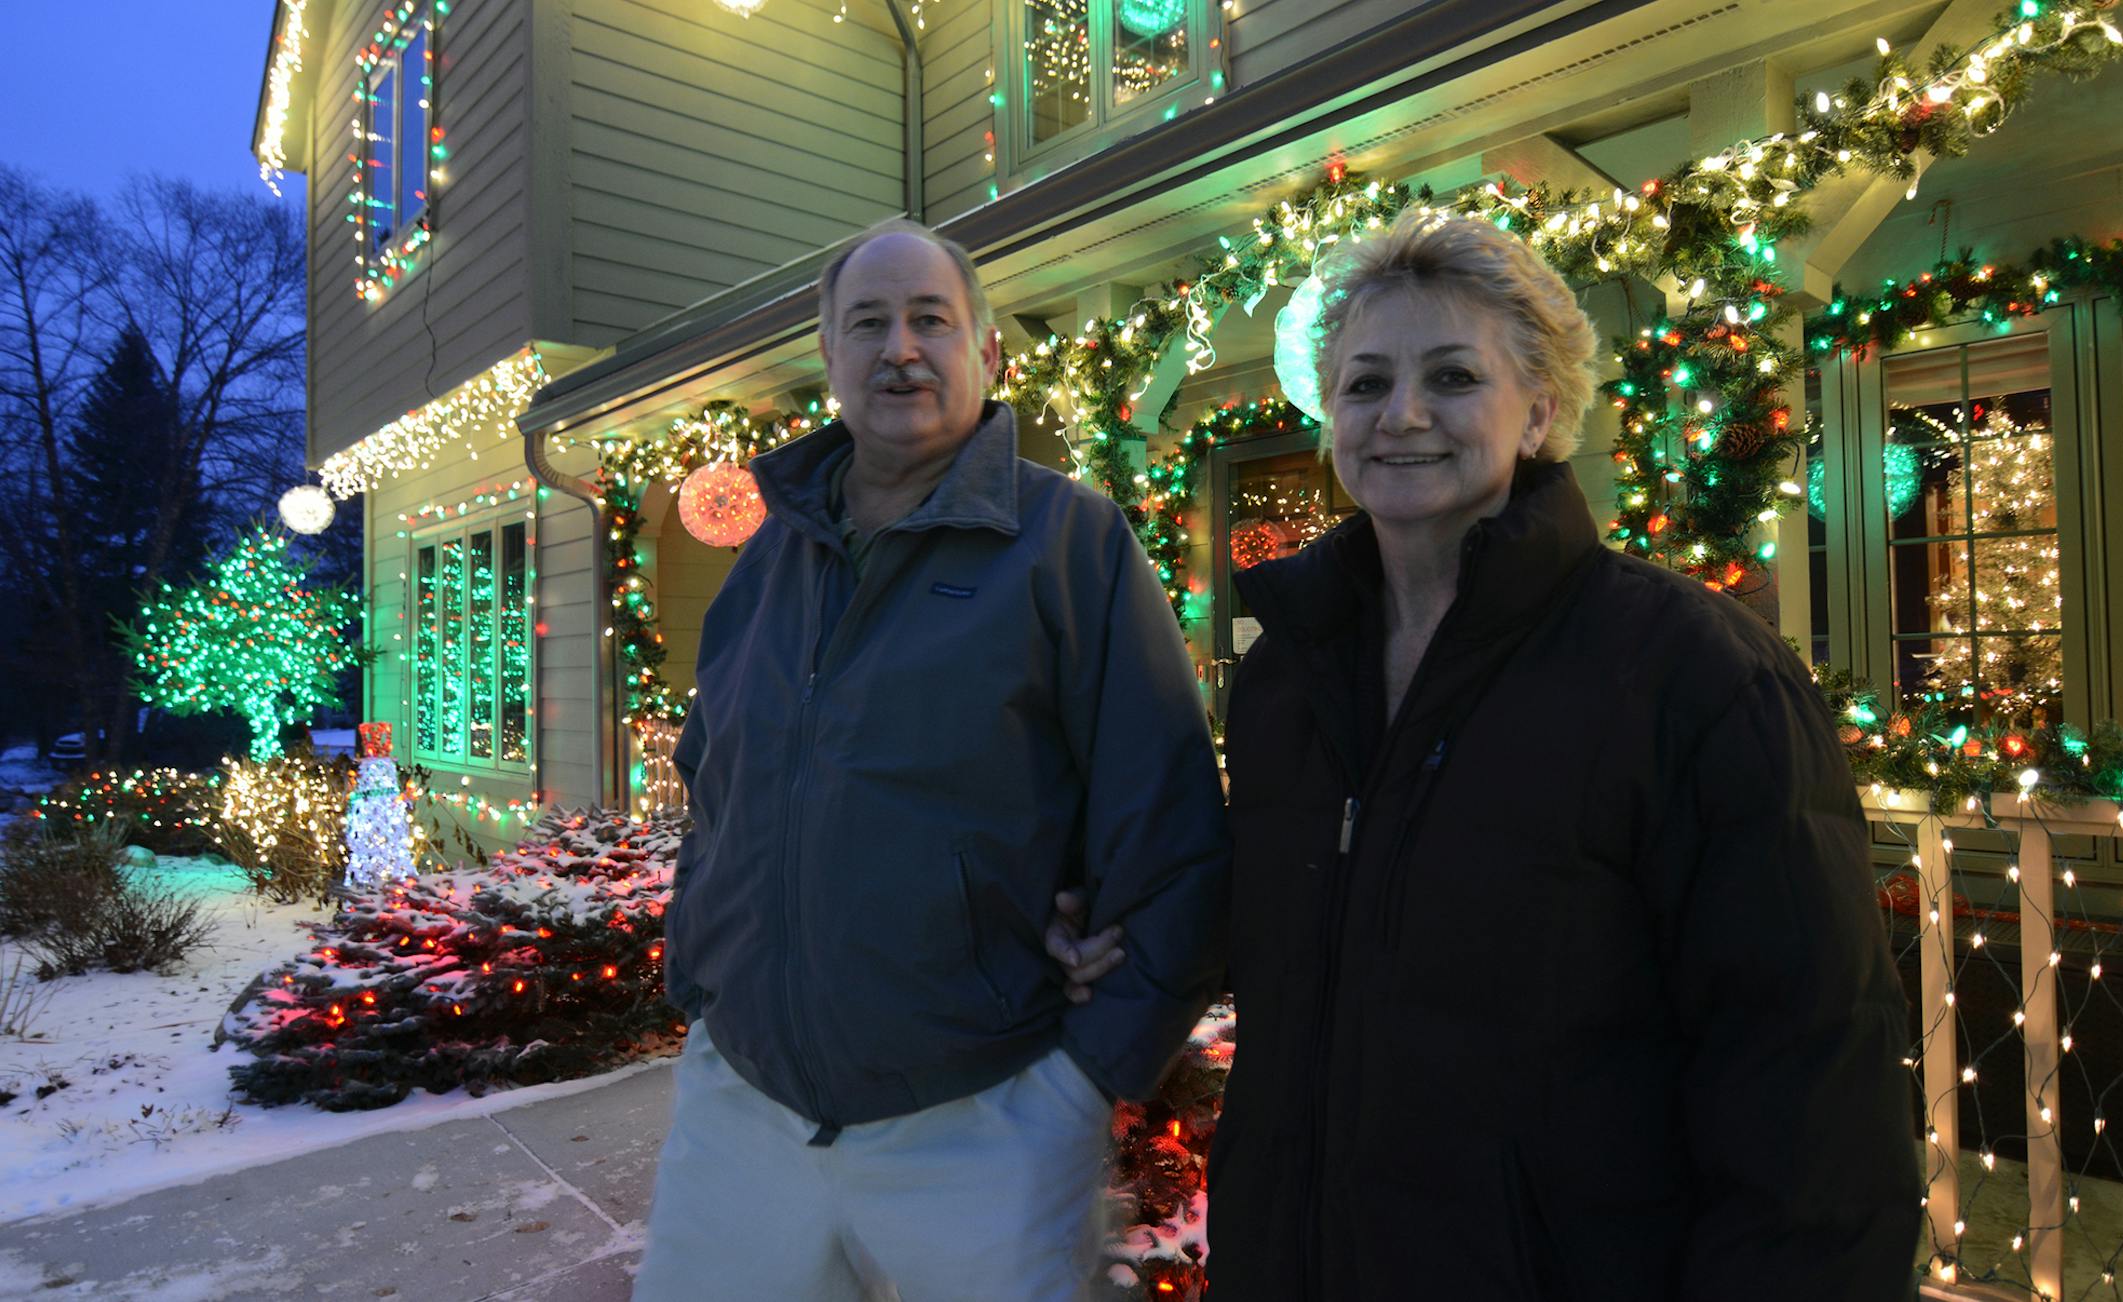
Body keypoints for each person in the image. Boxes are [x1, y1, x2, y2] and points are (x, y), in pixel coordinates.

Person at [1055, 211, 1919, 1298]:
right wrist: (1109, 918)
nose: (1401, 415)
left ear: (1540, 411)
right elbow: (1287, 928)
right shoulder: (1289, 679)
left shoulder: (1687, 673)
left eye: (1453, 377)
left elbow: (1811, 1088)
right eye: (1364, 385)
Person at [636, 216, 1229, 1302]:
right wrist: (700, 975)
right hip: (746, 1109)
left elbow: (1172, 831)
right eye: (868, 323)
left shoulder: (1070, 545)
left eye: (929, 320)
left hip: (983, 1119)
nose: (898, 348)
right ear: (831, 354)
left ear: (987, 354)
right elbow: (711, 784)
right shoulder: (768, 559)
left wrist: (1087, 1081)